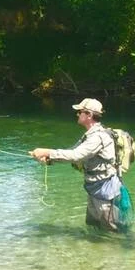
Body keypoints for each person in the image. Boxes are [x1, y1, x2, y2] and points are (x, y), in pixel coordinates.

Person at [29, 98, 123, 232]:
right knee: (93, 226)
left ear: (89, 115)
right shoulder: (89, 135)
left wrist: (46, 151)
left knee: (110, 230)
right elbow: (72, 153)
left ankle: (119, 250)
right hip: (94, 187)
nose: (77, 114)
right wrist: (49, 159)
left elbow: (76, 155)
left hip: (104, 189)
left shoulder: (98, 137)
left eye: (80, 112)